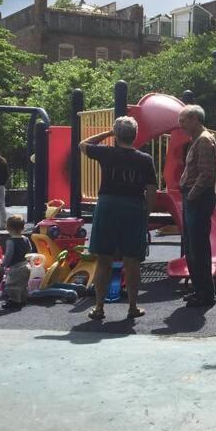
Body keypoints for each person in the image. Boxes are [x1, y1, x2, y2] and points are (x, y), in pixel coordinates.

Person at [80, 116, 157, 321]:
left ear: (117, 135)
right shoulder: (145, 159)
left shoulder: (106, 153)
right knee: (132, 260)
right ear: (135, 135)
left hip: (108, 206)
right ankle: (132, 306)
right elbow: (151, 191)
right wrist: (146, 214)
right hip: (133, 208)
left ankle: (99, 307)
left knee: (103, 258)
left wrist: (107, 133)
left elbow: (83, 145)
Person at [178, 104, 216, 308]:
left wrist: (192, 196)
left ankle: (204, 293)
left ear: (195, 119)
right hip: (195, 198)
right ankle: (200, 290)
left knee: (198, 247)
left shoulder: (203, 140)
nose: (180, 124)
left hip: (198, 199)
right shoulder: (198, 140)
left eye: (183, 120)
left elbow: (207, 174)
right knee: (192, 246)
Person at [0, 214, 32, 308]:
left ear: (10, 229)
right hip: (26, 265)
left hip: (16, 268)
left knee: (11, 285)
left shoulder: (10, 241)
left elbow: (8, 255)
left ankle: (14, 301)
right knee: (22, 285)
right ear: (23, 228)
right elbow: (29, 249)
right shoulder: (25, 239)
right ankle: (22, 299)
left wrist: (2, 265)